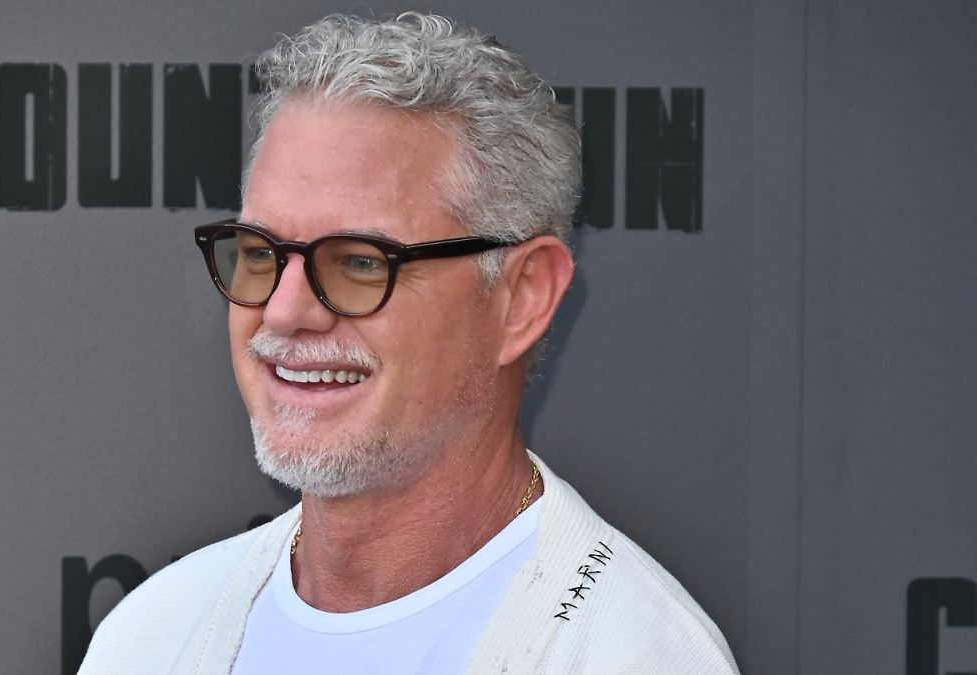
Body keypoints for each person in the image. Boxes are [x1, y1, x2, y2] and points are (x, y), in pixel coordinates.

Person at [80, 12, 738, 674]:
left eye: (360, 262)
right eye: (260, 252)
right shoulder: (150, 637)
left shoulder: (634, 655)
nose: (283, 312)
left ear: (523, 297)